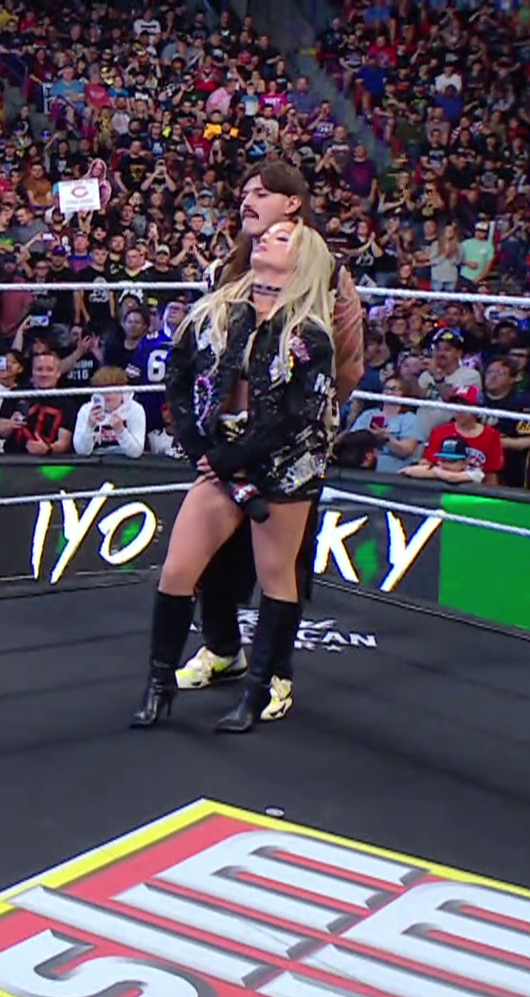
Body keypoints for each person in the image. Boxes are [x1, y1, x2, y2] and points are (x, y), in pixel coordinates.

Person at [177, 163, 367, 715]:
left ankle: (276, 675)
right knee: (214, 551)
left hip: (290, 443)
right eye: (244, 193)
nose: (247, 201)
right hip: (228, 436)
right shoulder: (230, 268)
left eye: (261, 193)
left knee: (283, 563)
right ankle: (222, 648)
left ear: (292, 204)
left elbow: (348, 363)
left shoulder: (327, 274)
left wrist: (305, 414)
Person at [138, 220, 337, 734]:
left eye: (283, 237)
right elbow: (178, 375)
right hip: (220, 453)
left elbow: (299, 414)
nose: (266, 238)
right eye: (266, 235)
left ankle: (258, 692)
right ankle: (157, 686)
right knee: (177, 570)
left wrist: (235, 457)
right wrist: (197, 442)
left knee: (276, 575)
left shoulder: (310, 334)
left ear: (303, 259)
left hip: (286, 462)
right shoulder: (218, 312)